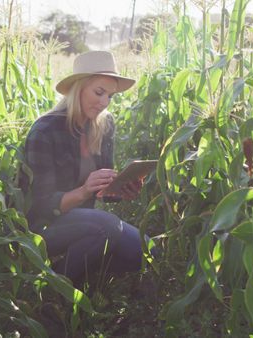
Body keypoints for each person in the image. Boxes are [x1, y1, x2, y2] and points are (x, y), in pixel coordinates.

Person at [21, 50, 154, 290]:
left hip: (85, 221)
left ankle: (86, 277)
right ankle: (52, 289)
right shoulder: (45, 131)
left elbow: (102, 188)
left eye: (110, 96)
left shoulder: (104, 125)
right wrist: (83, 191)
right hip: (43, 225)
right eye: (99, 92)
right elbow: (40, 204)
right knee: (108, 227)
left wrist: (120, 189)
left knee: (147, 250)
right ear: (78, 88)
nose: (104, 103)